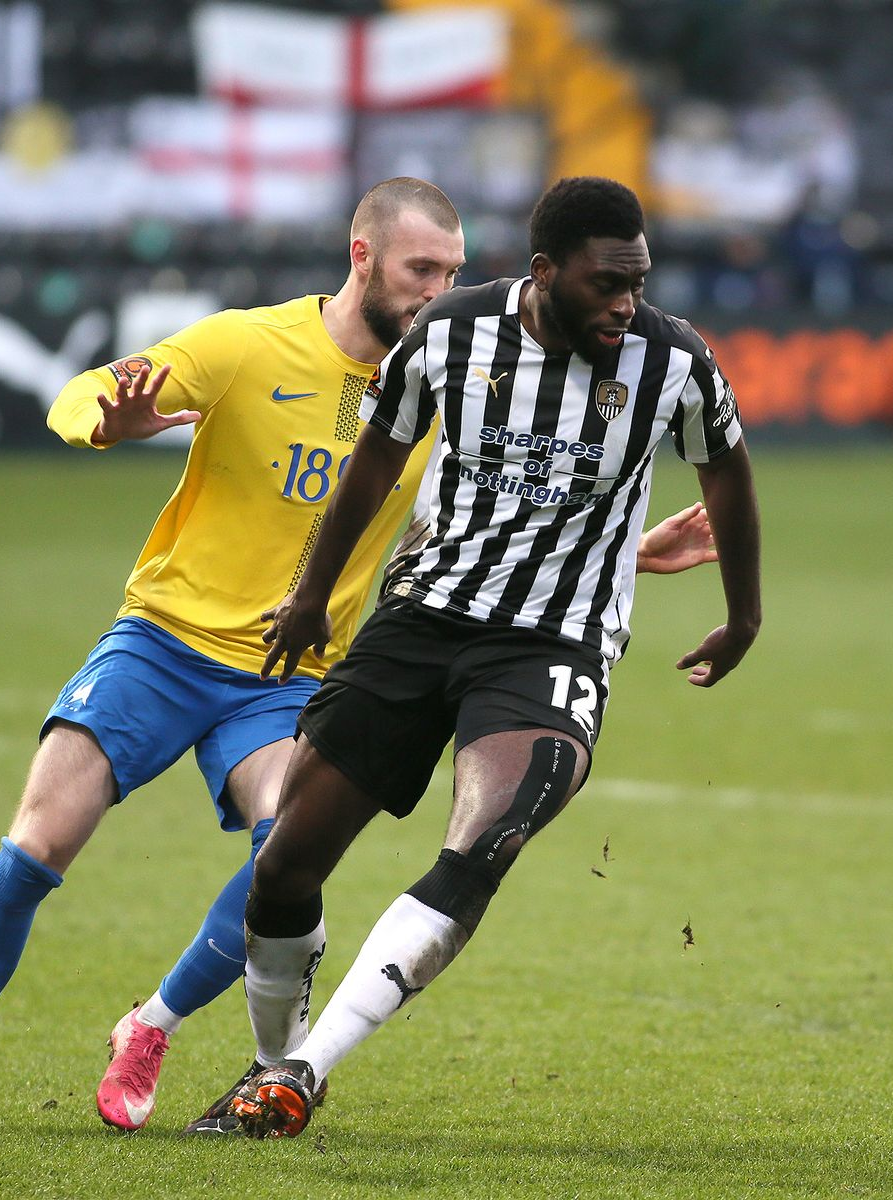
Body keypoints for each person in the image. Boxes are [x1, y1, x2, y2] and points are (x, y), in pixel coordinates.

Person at [0, 176, 717, 1132]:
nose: (441, 289)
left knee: (291, 854)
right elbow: (91, 390)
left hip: (288, 676)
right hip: (161, 642)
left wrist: (635, 551)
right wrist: (105, 421)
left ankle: (153, 1023)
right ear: (363, 259)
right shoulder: (247, 343)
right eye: (421, 269)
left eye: (452, 270)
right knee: (37, 847)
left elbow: (493, 533)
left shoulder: (448, 388)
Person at [213, 175, 761, 1139]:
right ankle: (269, 1066)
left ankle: (304, 1070)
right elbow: (378, 456)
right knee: (286, 868)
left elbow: (728, 470)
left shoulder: (674, 362)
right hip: (423, 617)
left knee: (482, 842)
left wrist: (744, 615)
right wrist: (310, 593)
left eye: (637, 281)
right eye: (605, 284)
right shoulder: (454, 333)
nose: (626, 303)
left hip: (557, 641)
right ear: (544, 273)